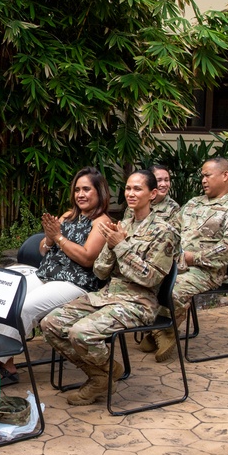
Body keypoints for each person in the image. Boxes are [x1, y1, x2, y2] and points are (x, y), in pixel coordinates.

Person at [0, 167, 111, 387]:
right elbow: (43, 250)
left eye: (87, 189)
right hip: (47, 273)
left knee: (25, 306)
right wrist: (49, 239)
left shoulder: (102, 222)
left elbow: (87, 258)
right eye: (77, 189)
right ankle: (8, 365)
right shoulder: (69, 216)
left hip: (76, 283)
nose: (80, 194)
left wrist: (58, 237)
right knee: (2, 294)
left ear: (100, 192)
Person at [41, 170, 179, 406]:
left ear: (152, 194)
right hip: (107, 295)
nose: (131, 193)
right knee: (50, 324)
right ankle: (103, 372)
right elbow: (100, 272)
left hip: (139, 302)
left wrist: (121, 246)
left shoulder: (164, 232)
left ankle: (100, 376)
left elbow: (150, 278)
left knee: (81, 333)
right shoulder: (121, 225)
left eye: (137, 189)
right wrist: (112, 246)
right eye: (128, 188)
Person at [148, 157, 228, 362]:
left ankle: (166, 330)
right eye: (202, 176)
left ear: (225, 176)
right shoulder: (194, 203)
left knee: (171, 289)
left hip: (207, 271)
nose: (203, 180)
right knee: (143, 279)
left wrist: (192, 258)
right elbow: (172, 230)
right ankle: (160, 327)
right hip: (176, 263)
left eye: (207, 175)